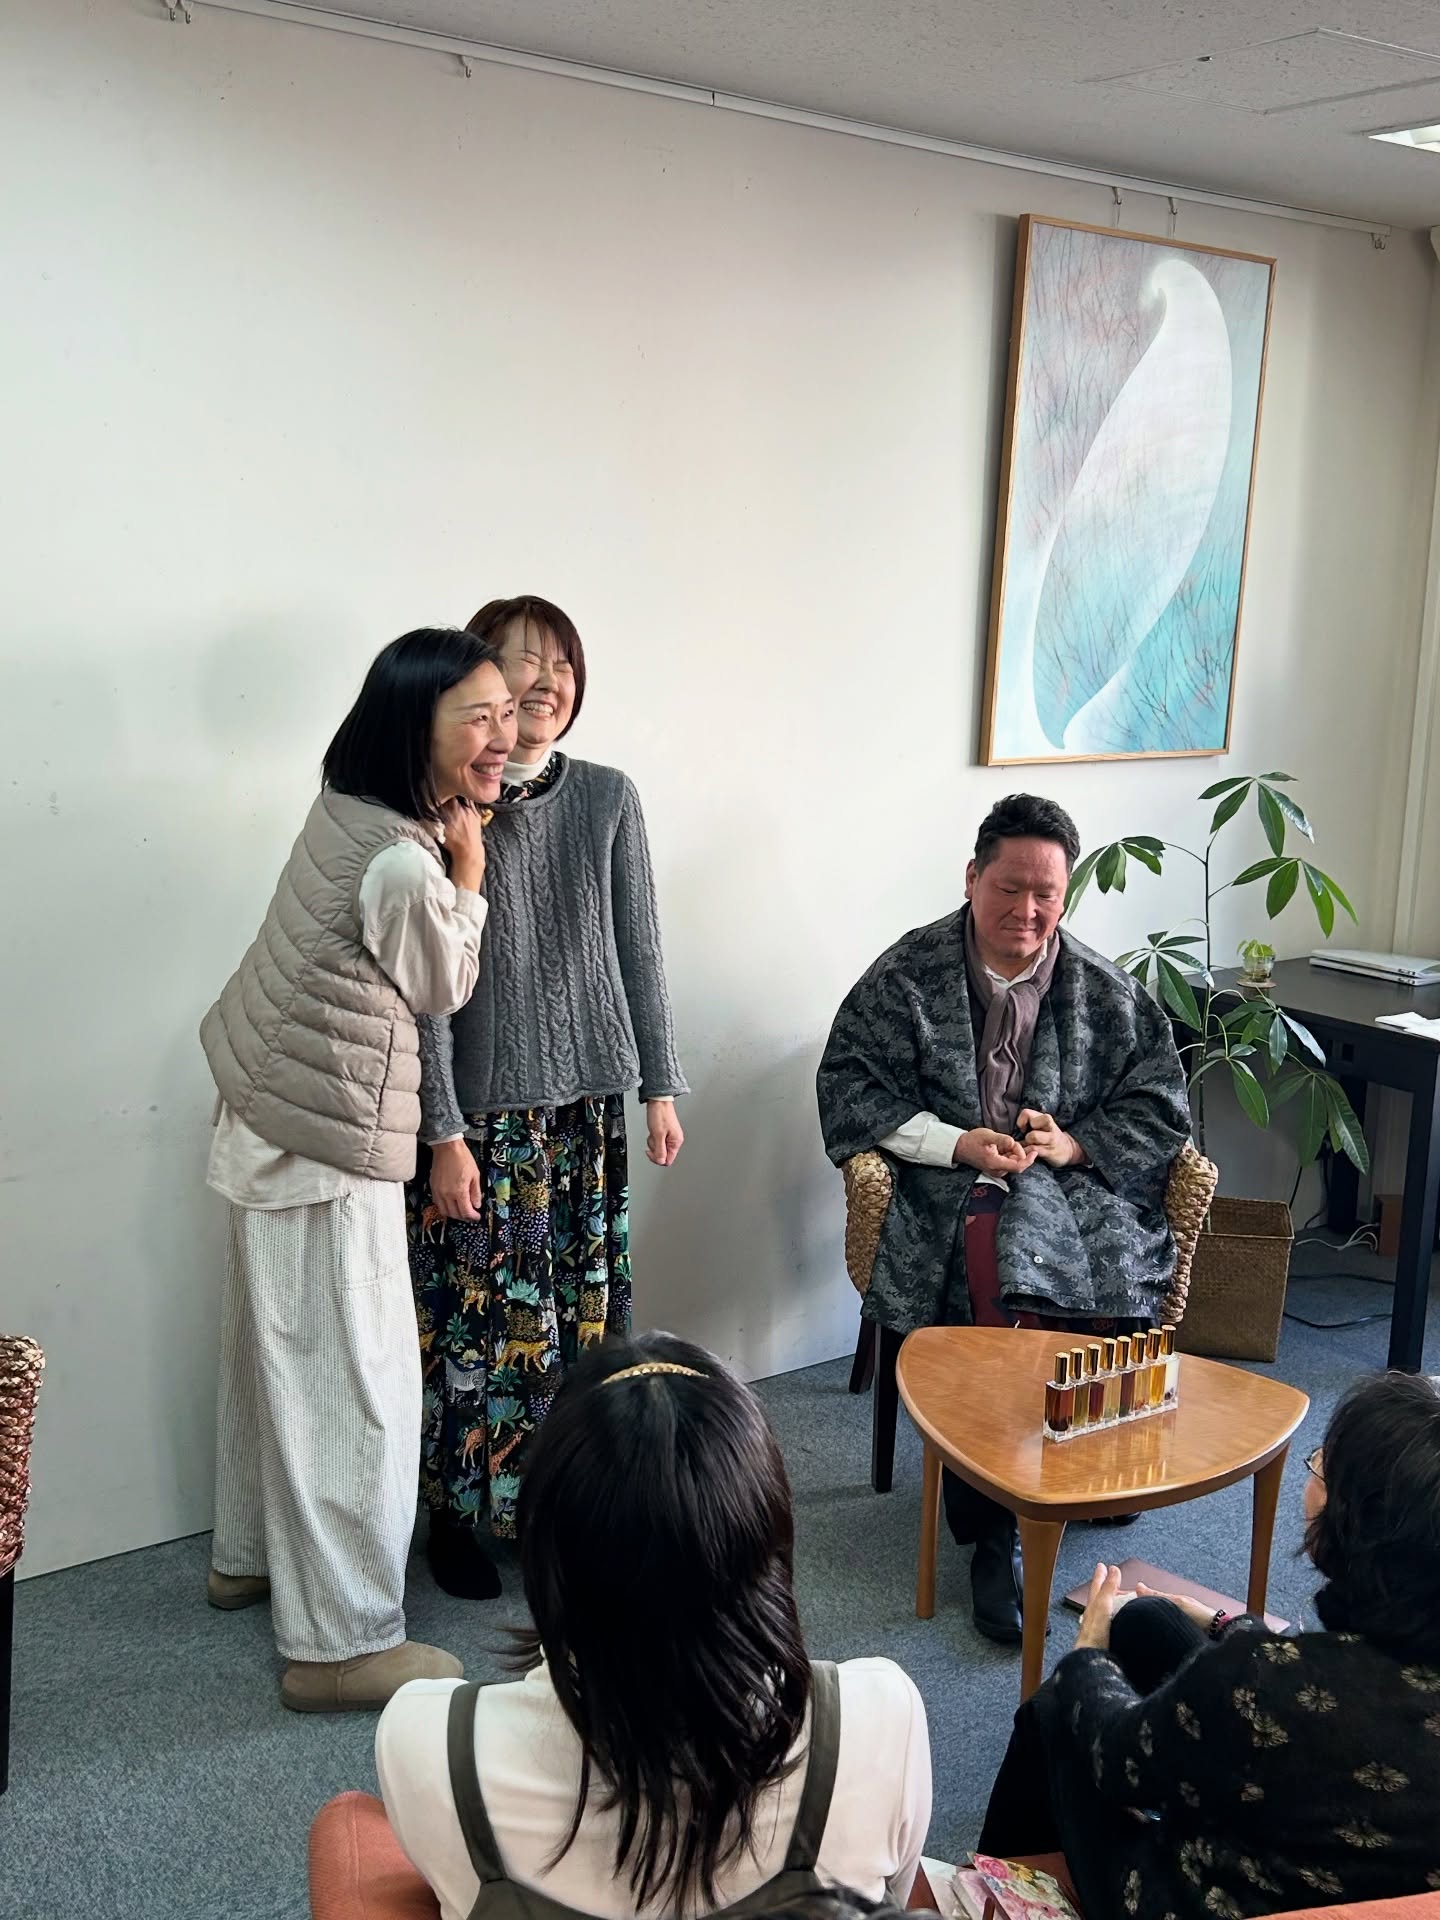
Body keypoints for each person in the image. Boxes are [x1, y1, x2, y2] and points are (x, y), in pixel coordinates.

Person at [201, 627, 517, 1712]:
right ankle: (337, 1644)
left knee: (273, 1358)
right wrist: (470, 876)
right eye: (477, 717)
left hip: (267, 1108)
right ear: (415, 727)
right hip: (323, 1141)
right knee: (354, 1389)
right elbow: (441, 986)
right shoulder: (400, 862)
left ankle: (248, 1557)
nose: (501, 735)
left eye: (506, 712)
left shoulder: (347, 803)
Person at [376, 1331, 932, 1920]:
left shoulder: (429, 1744)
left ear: (547, 1559)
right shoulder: (878, 1720)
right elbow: (893, 1898)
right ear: (770, 1546)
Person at [816, 794, 1191, 1644]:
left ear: (1066, 895)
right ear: (972, 878)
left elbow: (1162, 1106)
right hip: (946, 1182)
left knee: (1100, 1261)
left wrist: (1076, 1143)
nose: (1026, 910)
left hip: (1075, 1186)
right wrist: (955, 1143)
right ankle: (997, 1527)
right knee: (992, 1264)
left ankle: (1073, 1465)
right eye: (1008, 888)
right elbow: (849, 1084)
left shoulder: (1105, 991)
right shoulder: (905, 977)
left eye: (1045, 894)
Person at [409, 595, 687, 1600]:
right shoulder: (442, 806)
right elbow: (424, 992)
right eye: (521, 662)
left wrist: (659, 1083)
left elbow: (639, 945)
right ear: (479, 682)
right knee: (472, 1326)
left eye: (562, 664)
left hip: (585, 1112)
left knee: (579, 1323)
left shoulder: (608, 796)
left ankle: (561, 1510)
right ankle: (455, 1515)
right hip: (483, 1121)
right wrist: (443, 1130)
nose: (546, 681)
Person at [979, 1370, 1440, 1920]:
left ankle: (981, 1891)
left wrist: (1088, 1656)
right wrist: (1222, 1622)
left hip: (1194, 1898)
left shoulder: (1262, 1681)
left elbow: (1117, 1760)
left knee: (1058, 1708)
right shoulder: (1341, 1663)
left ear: (1354, 1519)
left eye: (1322, 1466)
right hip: (1339, 1872)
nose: (1312, 1475)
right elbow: (1313, 1674)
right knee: (1150, 1619)